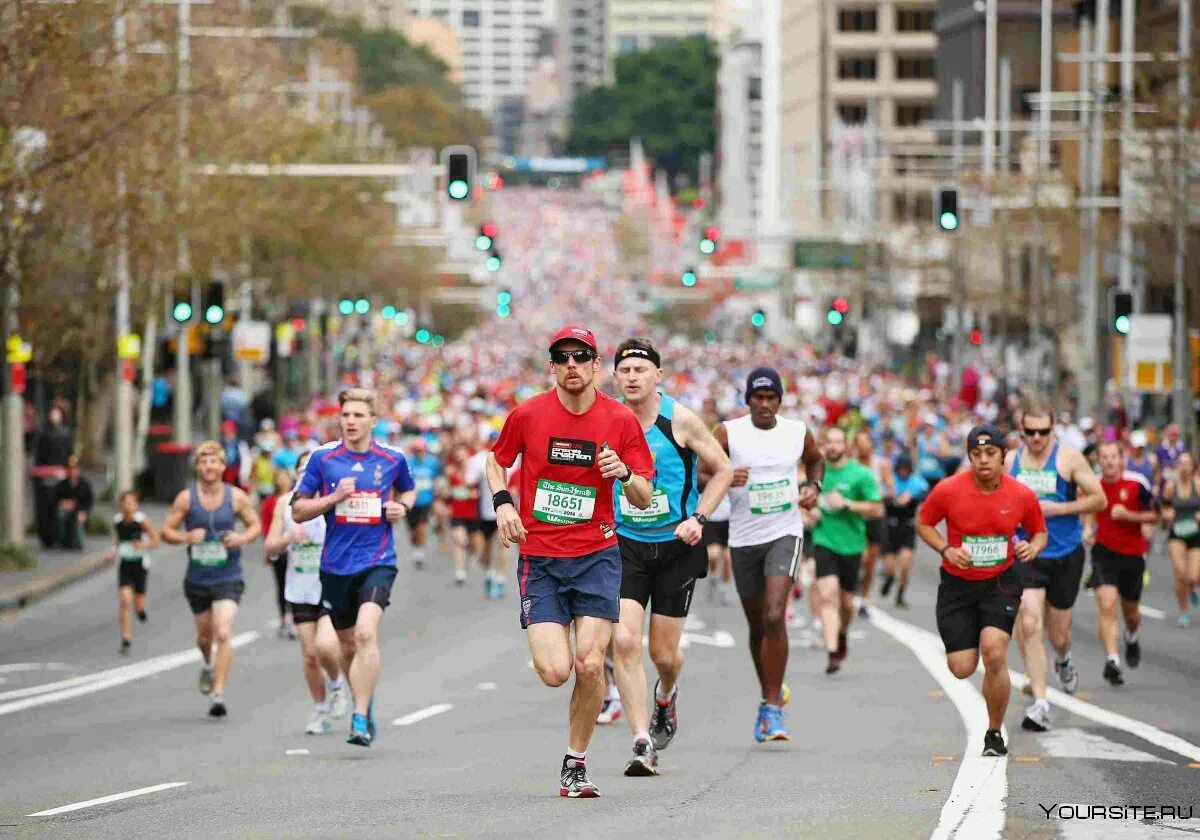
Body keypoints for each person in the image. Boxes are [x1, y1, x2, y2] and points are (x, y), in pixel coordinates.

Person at [485, 325, 655, 798]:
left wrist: (623, 473)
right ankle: (577, 676)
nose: (572, 365)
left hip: (597, 554)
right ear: (553, 365)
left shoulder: (620, 420)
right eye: (563, 357)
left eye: (581, 357)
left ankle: (575, 763)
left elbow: (644, 495)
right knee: (555, 671)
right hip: (540, 558)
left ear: (597, 365)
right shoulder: (529, 414)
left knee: (588, 664)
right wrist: (503, 503)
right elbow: (496, 461)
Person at [608, 338, 734, 776]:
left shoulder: (679, 420)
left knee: (663, 652)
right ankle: (641, 740)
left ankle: (666, 695)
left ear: (657, 376)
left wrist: (700, 516)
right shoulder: (608, 421)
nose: (632, 377)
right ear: (615, 377)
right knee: (623, 640)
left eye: (641, 369)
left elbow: (723, 470)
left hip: (677, 546)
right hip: (625, 543)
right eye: (625, 371)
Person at [292, 388, 417, 747]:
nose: (350, 422)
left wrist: (402, 509)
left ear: (373, 421)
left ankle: (359, 717)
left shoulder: (392, 459)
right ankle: (365, 693)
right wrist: (333, 498)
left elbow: (408, 491)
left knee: (365, 634)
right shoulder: (323, 459)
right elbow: (298, 509)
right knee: (348, 645)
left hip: (378, 561)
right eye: (345, 415)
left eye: (358, 416)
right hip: (334, 566)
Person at [917, 424, 1047, 757]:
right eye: (976, 454)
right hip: (957, 584)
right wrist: (946, 550)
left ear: (1004, 456)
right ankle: (972, 657)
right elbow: (924, 522)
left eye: (991, 453)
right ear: (969, 456)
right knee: (961, 667)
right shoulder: (948, 490)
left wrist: (1032, 548)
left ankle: (993, 733)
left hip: (1000, 581)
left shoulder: (1020, 494)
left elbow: (1039, 532)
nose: (983, 460)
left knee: (994, 651)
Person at [714, 367, 823, 742]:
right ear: (748, 400)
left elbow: (815, 459)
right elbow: (701, 474)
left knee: (776, 615)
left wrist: (814, 486)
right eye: (757, 398)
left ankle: (774, 709)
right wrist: (726, 475)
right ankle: (769, 694)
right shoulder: (728, 432)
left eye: (770, 397)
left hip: (784, 532)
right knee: (758, 625)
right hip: (743, 538)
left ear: (780, 400)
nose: (764, 404)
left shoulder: (796, 431)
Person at [1005, 401, 1105, 732]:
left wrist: (1058, 510)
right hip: (1027, 552)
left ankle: (1063, 659)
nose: (1036, 439)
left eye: (1043, 432)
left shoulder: (1068, 458)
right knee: (1030, 621)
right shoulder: (1011, 460)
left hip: (1064, 552)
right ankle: (1041, 702)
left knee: (1058, 633)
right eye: (1030, 432)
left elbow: (1099, 499)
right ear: (1021, 431)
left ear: (1053, 430)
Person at [160, 441, 262, 718]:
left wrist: (241, 537)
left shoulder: (236, 497)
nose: (209, 466)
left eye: (214, 461)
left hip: (229, 574)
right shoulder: (186, 499)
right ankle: (207, 662)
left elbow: (255, 525)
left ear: (222, 466)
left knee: (223, 632)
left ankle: (218, 693)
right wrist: (185, 537)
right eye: (204, 462)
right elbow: (165, 531)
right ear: (198, 466)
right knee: (205, 636)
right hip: (198, 578)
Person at [264, 449, 350, 735]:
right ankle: (320, 710)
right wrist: (288, 537)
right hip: (299, 589)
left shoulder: (334, 502)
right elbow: (270, 547)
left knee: (326, 646)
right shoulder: (284, 505)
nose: (306, 474)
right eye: (301, 469)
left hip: (330, 584)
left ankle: (337, 684)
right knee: (311, 656)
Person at [809, 427, 882, 674]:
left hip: (852, 544)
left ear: (846, 446)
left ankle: (841, 634)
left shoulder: (860, 474)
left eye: (837, 442)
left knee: (848, 603)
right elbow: (801, 499)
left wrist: (848, 503)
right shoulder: (816, 472)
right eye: (828, 442)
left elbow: (876, 508)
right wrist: (809, 512)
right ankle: (831, 652)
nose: (832, 447)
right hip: (824, 540)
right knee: (827, 594)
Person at [1086, 440, 1158, 686]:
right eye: (1104, 457)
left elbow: (1156, 514)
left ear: (1122, 459)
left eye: (1113, 457)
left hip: (1133, 555)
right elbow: (1088, 509)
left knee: (1131, 613)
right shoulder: (1093, 484)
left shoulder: (1137, 483)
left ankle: (1132, 634)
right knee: (1106, 604)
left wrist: (1129, 516)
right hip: (1104, 552)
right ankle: (1113, 660)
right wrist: (1087, 529)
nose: (1109, 461)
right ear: (1099, 460)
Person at [112, 490, 159, 655]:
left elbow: (155, 540)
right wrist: (112, 552)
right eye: (124, 503)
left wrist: (143, 545)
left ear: (136, 505)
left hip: (140, 565)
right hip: (125, 564)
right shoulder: (117, 521)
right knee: (125, 600)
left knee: (138, 603)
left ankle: (140, 610)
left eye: (131, 503)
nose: (127, 506)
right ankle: (126, 639)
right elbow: (118, 541)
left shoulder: (142, 521)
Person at [853, 429, 893, 616]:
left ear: (871, 444)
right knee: (861, 558)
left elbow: (891, 489)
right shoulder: (852, 466)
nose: (862, 448)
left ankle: (864, 600)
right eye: (858, 444)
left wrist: (876, 493)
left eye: (865, 443)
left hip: (876, 517)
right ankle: (853, 588)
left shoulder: (881, 464)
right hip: (857, 517)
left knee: (870, 563)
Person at [880, 454, 929, 609]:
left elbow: (925, 491)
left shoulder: (915, 482)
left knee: (906, 563)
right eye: (901, 469)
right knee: (889, 566)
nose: (903, 472)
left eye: (906, 469)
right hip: (890, 526)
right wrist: (892, 497)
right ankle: (889, 578)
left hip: (906, 526)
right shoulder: (891, 481)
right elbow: (881, 494)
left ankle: (900, 595)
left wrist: (911, 496)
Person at [1160, 451, 1200, 626]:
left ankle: (1193, 586)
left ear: (1193, 467)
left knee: (1193, 576)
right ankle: (1183, 611)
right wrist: (1166, 515)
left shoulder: (1198, 484)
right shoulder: (1170, 485)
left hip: (1196, 533)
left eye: (1187, 464)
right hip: (1177, 533)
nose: (1183, 467)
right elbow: (1163, 507)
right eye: (1181, 463)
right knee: (1180, 573)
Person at [466, 432, 505, 597]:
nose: (494, 443)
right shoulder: (478, 460)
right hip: (484, 511)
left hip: (505, 510)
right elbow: (469, 481)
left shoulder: (512, 459)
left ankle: (500, 579)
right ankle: (489, 574)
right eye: (492, 440)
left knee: (503, 544)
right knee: (487, 547)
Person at [262, 467, 296, 639]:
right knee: (281, 584)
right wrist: (271, 546)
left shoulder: (300, 499)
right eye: (279, 478)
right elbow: (266, 526)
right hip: (280, 548)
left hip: (297, 548)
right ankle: (284, 617)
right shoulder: (271, 502)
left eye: (285, 477)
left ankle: (297, 617)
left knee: (296, 581)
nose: (282, 481)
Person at [33, 407, 73, 549]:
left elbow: (69, 454)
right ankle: (49, 536)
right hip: (47, 474)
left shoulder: (64, 434)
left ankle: (55, 535)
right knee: (46, 507)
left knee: (54, 505)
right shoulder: (44, 434)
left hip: (56, 474)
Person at [405, 437, 441, 569]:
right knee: (412, 531)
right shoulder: (408, 463)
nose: (419, 453)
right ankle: (416, 545)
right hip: (411, 501)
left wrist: (437, 491)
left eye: (421, 450)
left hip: (426, 500)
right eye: (416, 450)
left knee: (422, 528)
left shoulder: (432, 463)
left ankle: (419, 552)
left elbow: (437, 478)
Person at [53, 455, 94, 550]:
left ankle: (79, 543)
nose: (73, 472)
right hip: (66, 509)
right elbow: (55, 499)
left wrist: (84, 511)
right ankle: (62, 540)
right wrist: (63, 503)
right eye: (71, 470)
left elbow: (89, 501)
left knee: (79, 520)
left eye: (75, 470)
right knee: (60, 514)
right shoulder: (62, 484)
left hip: (80, 509)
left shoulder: (85, 485)